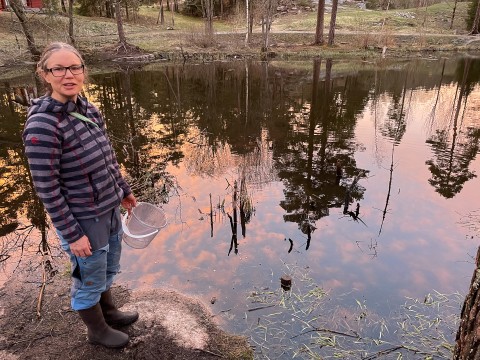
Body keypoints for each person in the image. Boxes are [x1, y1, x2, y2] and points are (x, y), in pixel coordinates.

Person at [23, 42, 138, 349]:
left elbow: (106, 156)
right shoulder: (42, 125)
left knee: (108, 267)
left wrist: (123, 190)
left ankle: (109, 311)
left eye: (74, 67)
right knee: (89, 277)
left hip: (108, 208)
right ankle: (97, 330)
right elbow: (47, 189)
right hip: (82, 218)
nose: (68, 75)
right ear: (45, 75)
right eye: (58, 69)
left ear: (83, 72)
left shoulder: (88, 109)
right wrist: (73, 234)